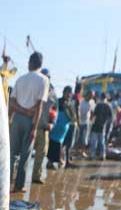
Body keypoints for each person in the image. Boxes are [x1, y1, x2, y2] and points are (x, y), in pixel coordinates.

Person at [9, 51, 49, 192]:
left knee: (12, 153)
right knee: (25, 155)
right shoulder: (43, 80)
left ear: (30, 63)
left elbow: (12, 102)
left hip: (17, 119)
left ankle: (6, 182)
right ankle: (19, 186)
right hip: (30, 120)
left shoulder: (20, 79)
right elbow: (39, 106)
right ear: (40, 64)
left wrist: (13, 116)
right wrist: (34, 127)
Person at [32, 69, 56, 183]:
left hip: (43, 128)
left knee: (41, 153)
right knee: (23, 152)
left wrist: (52, 123)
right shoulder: (33, 87)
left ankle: (36, 176)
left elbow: (55, 110)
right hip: (30, 126)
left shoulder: (52, 93)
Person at [47, 86, 76, 168]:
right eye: (67, 92)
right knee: (53, 144)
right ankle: (51, 162)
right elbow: (52, 111)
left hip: (65, 127)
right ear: (63, 92)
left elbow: (73, 116)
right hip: (56, 126)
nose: (68, 95)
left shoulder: (70, 103)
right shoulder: (58, 101)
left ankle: (62, 160)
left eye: (70, 93)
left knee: (64, 145)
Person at [89, 93, 113, 161]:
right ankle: (102, 155)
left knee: (94, 142)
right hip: (103, 127)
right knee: (101, 142)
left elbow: (94, 116)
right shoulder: (108, 106)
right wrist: (106, 124)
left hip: (95, 125)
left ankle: (92, 155)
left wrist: (91, 123)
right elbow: (110, 118)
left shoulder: (98, 105)